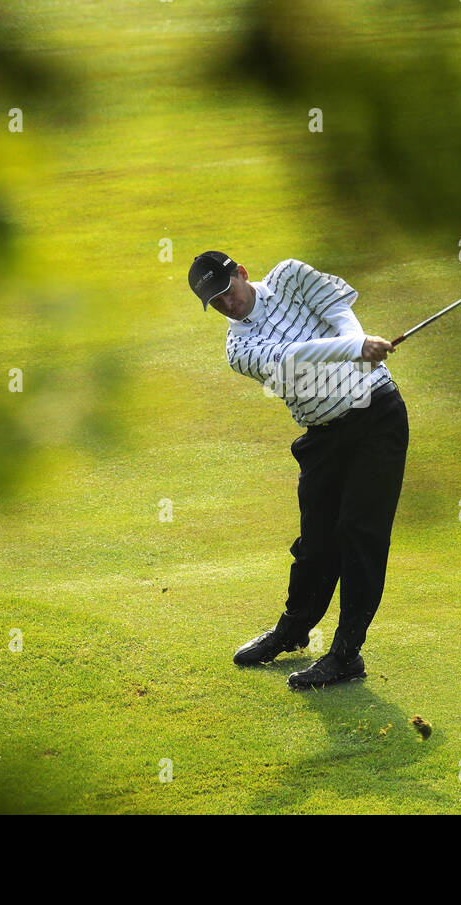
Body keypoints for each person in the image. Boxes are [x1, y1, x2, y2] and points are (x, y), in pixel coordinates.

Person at [189, 250, 410, 689]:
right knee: (315, 543)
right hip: (322, 436)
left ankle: (346, 655)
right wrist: (353, 348)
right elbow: (294, 357)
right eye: (215, 302)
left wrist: (359, 342)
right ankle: (293, 631)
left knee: (359, 534)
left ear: (242, 273)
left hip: (377, 418)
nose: (226, 304)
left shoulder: (291, 275)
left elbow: (337, 309)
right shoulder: (240, 349)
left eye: (226, 291)